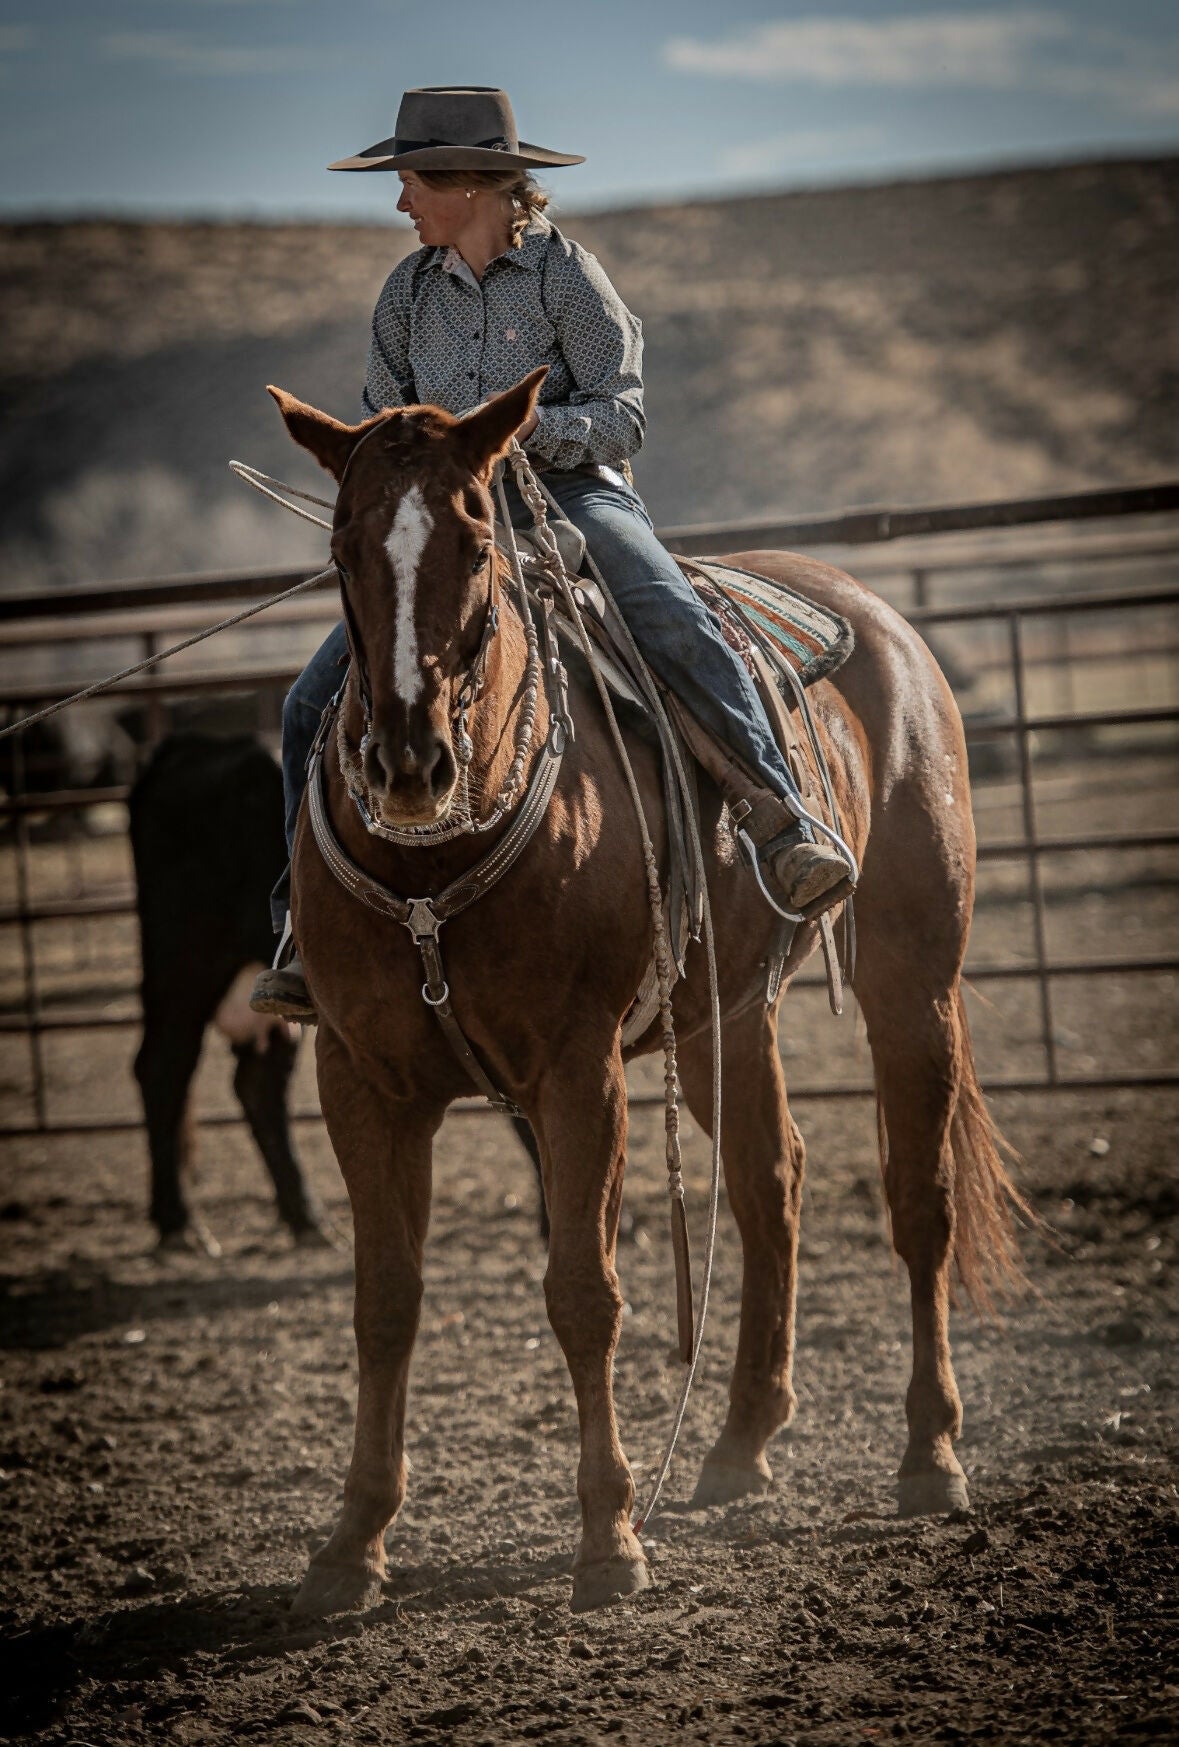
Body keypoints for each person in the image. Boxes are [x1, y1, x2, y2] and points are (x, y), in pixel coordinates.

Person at [253, 87, 850, 1020]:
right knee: (309, 699)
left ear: (467, 184)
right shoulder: (403, 294)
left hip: (573, 495)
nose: (400, 202)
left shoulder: (567, 274)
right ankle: (297, 925)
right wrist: (423, 462)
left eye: (410, 180)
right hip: (449, 516)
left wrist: (519, 439)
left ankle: (778, 819)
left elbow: (624, 412)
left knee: (667, 616)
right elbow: (388, 420)